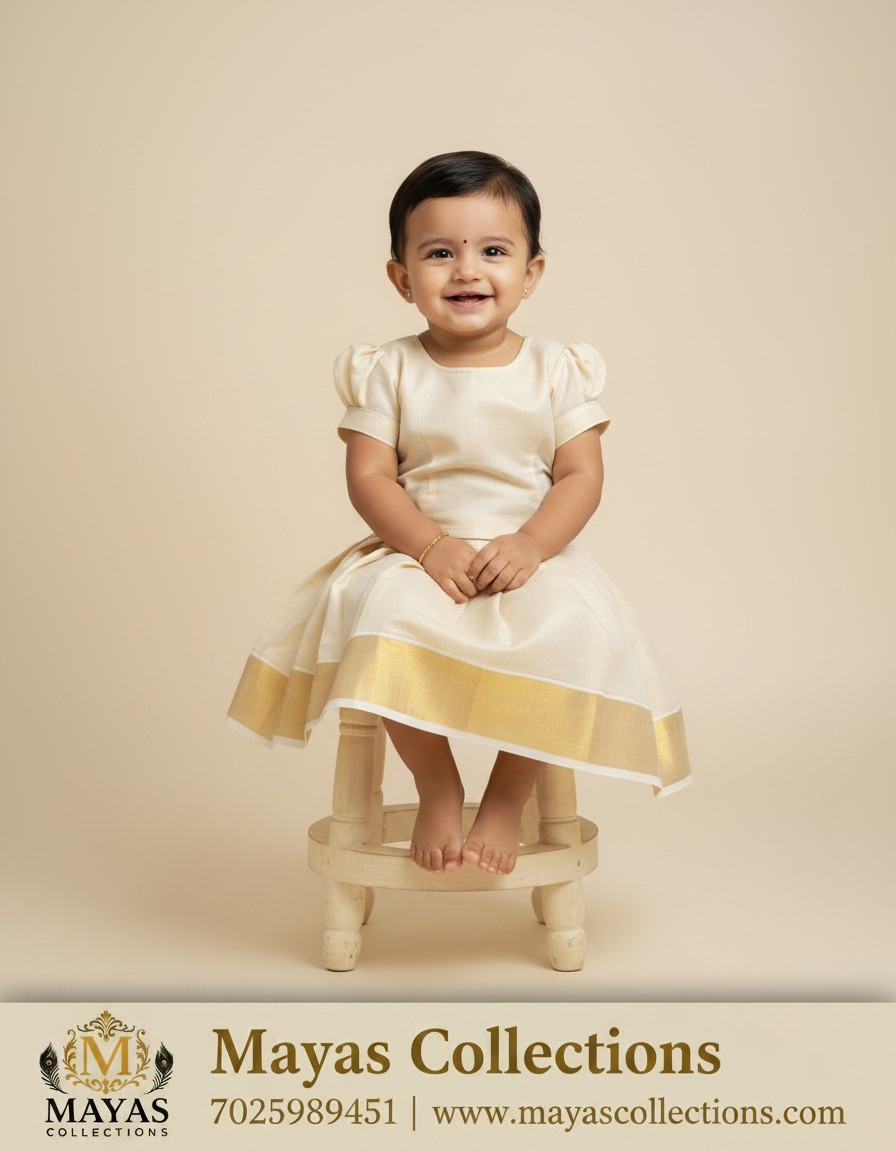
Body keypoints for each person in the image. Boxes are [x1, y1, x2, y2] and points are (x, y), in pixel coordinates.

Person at [227, 150, 690, 877]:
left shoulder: (557, 370)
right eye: (440, 253)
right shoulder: (388, 369)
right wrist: (428, 545)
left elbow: (581, 475)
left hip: (529, 552)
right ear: (402, 278)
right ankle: (436, 780)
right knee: (381, 618)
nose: (467, 270)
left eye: (493, 251)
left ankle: (507, 794)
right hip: (419, 550)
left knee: (570, 630)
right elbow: (370, 477)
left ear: (531, 273)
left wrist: (532, 544)